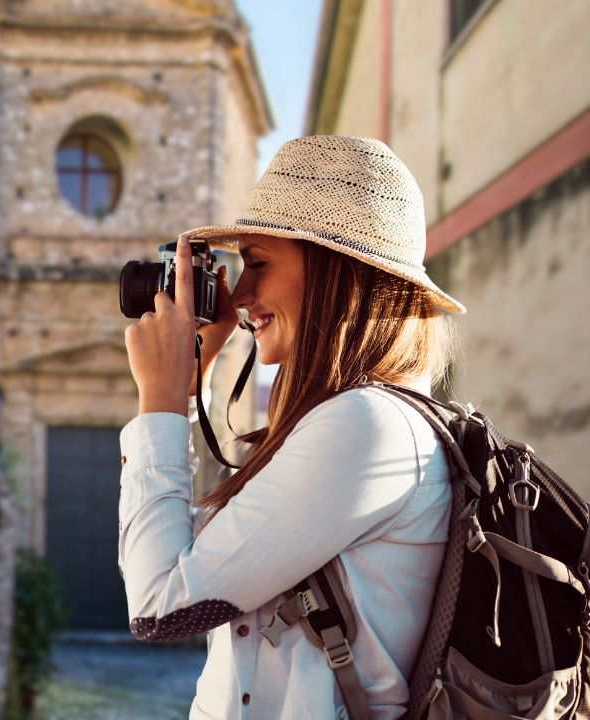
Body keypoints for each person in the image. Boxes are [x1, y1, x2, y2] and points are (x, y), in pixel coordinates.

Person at [119, 135, 466, 719]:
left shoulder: (367, 427)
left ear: (336, 273)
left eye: (257, 264)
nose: (243, 294)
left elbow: (159, 606)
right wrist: (184, 389)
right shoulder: (348, 423)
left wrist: (159, 403)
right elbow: (189, 554)